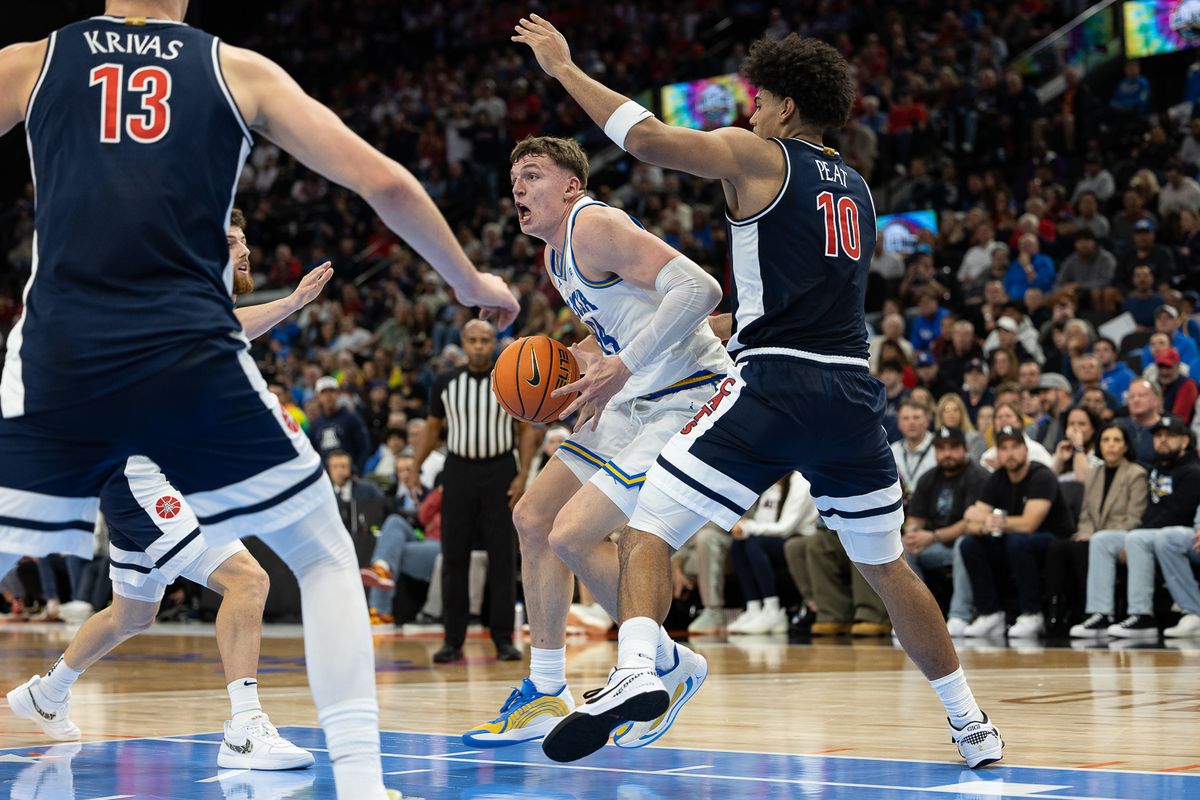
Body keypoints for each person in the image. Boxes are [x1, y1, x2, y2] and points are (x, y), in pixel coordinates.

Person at [0, 5, 518, 797]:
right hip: (184, 355)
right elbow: (383, 179)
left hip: (60, 353)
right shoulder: (235, 70)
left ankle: (68, 695)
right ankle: (360, 782)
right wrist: (468, 282)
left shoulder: (33, 61)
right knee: (321, 555)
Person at [515, 18, 1002, 766]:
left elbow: (644, 140)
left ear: (783, 108)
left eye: (757, 100)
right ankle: (971, 724)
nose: (748, 112)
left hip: (773, 382)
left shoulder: (757, 154)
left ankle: (637, 671)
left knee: (647, 526)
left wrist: (565, 70)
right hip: (851, 394)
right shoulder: (861, 190)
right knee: (888, 567)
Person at [6, 210, 325, 770]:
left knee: (132, 614)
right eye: (230, 241)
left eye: (246, 240)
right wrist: (292, 304)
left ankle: (47, 693)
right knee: (248, 581)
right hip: (138, 475)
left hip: (147, 473)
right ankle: (245, 729)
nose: (244, 250)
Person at [461, 136, 729, 749]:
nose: (518, 188)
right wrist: (577, 372)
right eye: (514, 178)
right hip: (629, 399)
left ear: (572, 186)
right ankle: (547, 690)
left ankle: (665, 665)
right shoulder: (557, 258)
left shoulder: (595, 224)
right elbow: (618, 329)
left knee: (572, 534)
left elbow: (701, 291)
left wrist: (625, 366)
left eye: (532, 175)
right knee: (532, 517)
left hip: (684, 395)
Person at [416, 319, 537, 664]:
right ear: (463, 343)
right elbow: (432, 428)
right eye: (473, 340)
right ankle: (452, 639)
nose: (480, 346)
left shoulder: (508, 380)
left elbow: (526, 430)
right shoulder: (445, 382)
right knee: (454, 556)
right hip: (458, 471)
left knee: (502, 557)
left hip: (500, 471)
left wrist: (523, 473)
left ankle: (503, 639)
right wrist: (414, 467)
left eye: (486, 339)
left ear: (494, 342)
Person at [1071, 416, 1200, 639]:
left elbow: (1177, 513)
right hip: (1153, 533)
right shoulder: (1157, 470)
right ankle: (1101, 613)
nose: (1162, 441)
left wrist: (1135, 534)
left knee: (1140, 539)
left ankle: (1143, 615)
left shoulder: (1192, 472)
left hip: (1181, 533)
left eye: (1169, 436)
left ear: (1185, 442)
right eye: (1159, 436)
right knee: (1102, 539)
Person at [960, 426, 1076, 638]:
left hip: (1053, 539)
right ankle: (990, 613)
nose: (1010, 453)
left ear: (1025, 450)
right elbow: (970, 520)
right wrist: (985, 525)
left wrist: (994, 521)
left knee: (1018, 541)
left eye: (1015, 447)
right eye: (1003, 448)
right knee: (970, 544)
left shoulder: (1041, 475)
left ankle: (1032, 613)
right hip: (1014, 538)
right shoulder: (998, 478)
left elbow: (1029, 524)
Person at [903, 426, 989, 636]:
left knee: (964, 545)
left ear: (965, 449)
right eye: (941, 448)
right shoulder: (928, 478)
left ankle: (960, 614)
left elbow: (968, 524)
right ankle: (915, 618)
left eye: (953, 448)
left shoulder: (977, 476)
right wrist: (913, 533)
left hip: (970, 544)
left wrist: (932, 537)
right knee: (905, 549)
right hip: (935, 547)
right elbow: (915, 519)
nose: (947, 454)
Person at [1066, 424, 1149, 638]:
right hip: (1099, 537)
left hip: (1126, 535)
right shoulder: (1094, 474)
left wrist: (1096, 536)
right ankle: (1076, 613)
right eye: (1106, 440)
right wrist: (1085, 532)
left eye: (1116, 440)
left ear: (1126, 446)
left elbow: (1134, 518)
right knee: (1072, 545)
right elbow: (1085, 514)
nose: (1111, 445)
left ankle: (1102, 612)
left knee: (1098, 542)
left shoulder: (1136, 474)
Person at [726, 472, 818, 635]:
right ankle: (754, 607)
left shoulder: (800, 480)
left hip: (798, 540)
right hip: (777, 539)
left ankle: (772, 608)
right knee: (738, 545)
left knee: (754, 543)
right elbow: (764, 522)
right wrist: (746, 527)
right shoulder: (771, 483)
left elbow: (785, 527)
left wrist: (748, 527)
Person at [891, 398, 937, 499]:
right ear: (899, 424)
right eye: (906, 418)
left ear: (927, 421)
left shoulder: (939, 447)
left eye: (916, 418)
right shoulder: (893, 451)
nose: (911, 422)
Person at [1117, 379, 1165, 469]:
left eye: (1142, 395)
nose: (1136, 400)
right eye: (1131, 396)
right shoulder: (1117, 426)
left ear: (1156, 399)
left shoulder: (1168, 430)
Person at [1154, 348, 1199, 425]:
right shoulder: (1156, 383)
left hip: (1178, 433)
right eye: (1161, 366)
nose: (1164, 371)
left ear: (1177, 365)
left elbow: (1179, 420)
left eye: (1168, 367)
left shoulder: (1187, 385)